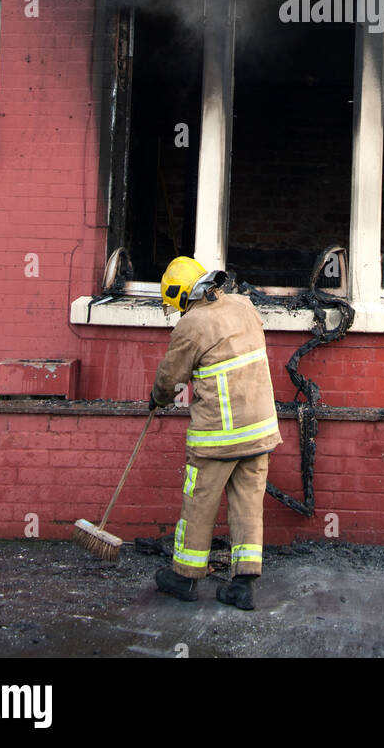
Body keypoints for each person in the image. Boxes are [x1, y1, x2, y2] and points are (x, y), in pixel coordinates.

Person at [149, 256, 281, 609]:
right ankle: (244, 585)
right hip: (259, 430)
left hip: (217, 437)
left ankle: (185, 577)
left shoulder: (192, 324)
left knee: (199, 503)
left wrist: (157, 397)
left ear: (180, 296)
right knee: (248, 505)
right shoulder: (243, 306)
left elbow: (171, 377)